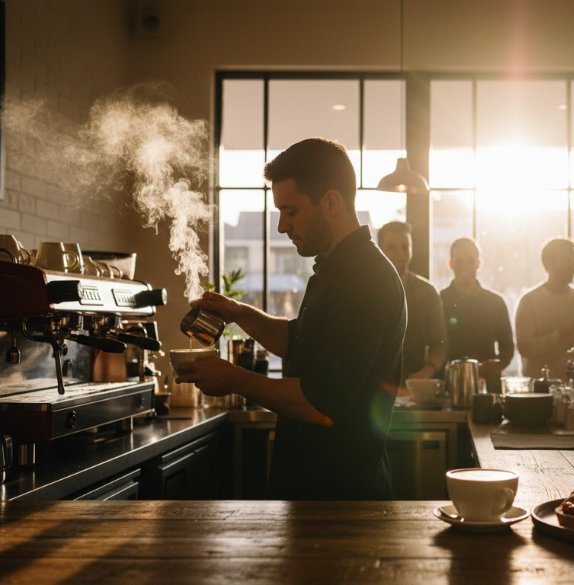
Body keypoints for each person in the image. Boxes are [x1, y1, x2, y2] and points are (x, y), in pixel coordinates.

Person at [174, 138, 406, 500]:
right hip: (309, 483)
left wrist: (233, 378)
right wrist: (238, 313)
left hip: (343, 494)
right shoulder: (331, 271)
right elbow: (299, 342)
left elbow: (321, 400)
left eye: (291, 211)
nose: (282, 226)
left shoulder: (368, 279)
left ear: (331, 202)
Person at [515, 237, 574, 379]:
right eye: (568, 260)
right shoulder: (528, 301)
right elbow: (525, 348)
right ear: (547, 263)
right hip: (538, 393)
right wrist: (563, 332)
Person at [440, 237, 515, 391]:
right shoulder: (438, 301)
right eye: (459, 261)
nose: (464, 266)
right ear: (450, 264)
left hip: (488, 387)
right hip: (448, 385)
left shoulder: (496, 302)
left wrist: (496, 365)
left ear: (478, 264)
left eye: (470, 261)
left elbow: (507, 348)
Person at [377, 221, 447, 380]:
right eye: (391, 247)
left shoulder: (428, 292)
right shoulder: (367, 291)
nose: (400, 253)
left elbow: (440, 344)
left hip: (414, 388)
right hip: (374, 388)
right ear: (380, 251)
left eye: (405, 247)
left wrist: (423, 375)